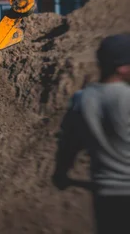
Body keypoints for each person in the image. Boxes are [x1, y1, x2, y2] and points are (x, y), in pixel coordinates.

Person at [52, 33, 130, 234]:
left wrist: (61, 173)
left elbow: (69, 145)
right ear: (122, 67)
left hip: (106, 197)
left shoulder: (82, 99)